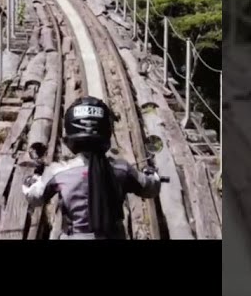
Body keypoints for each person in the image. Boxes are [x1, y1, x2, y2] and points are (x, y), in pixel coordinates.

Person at [21, 96, 162, 239]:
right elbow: (151, 188)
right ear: (107, 130)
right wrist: (151, 173)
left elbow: (35, 197)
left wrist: (29, 182)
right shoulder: (122, 169)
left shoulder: (58, 171)